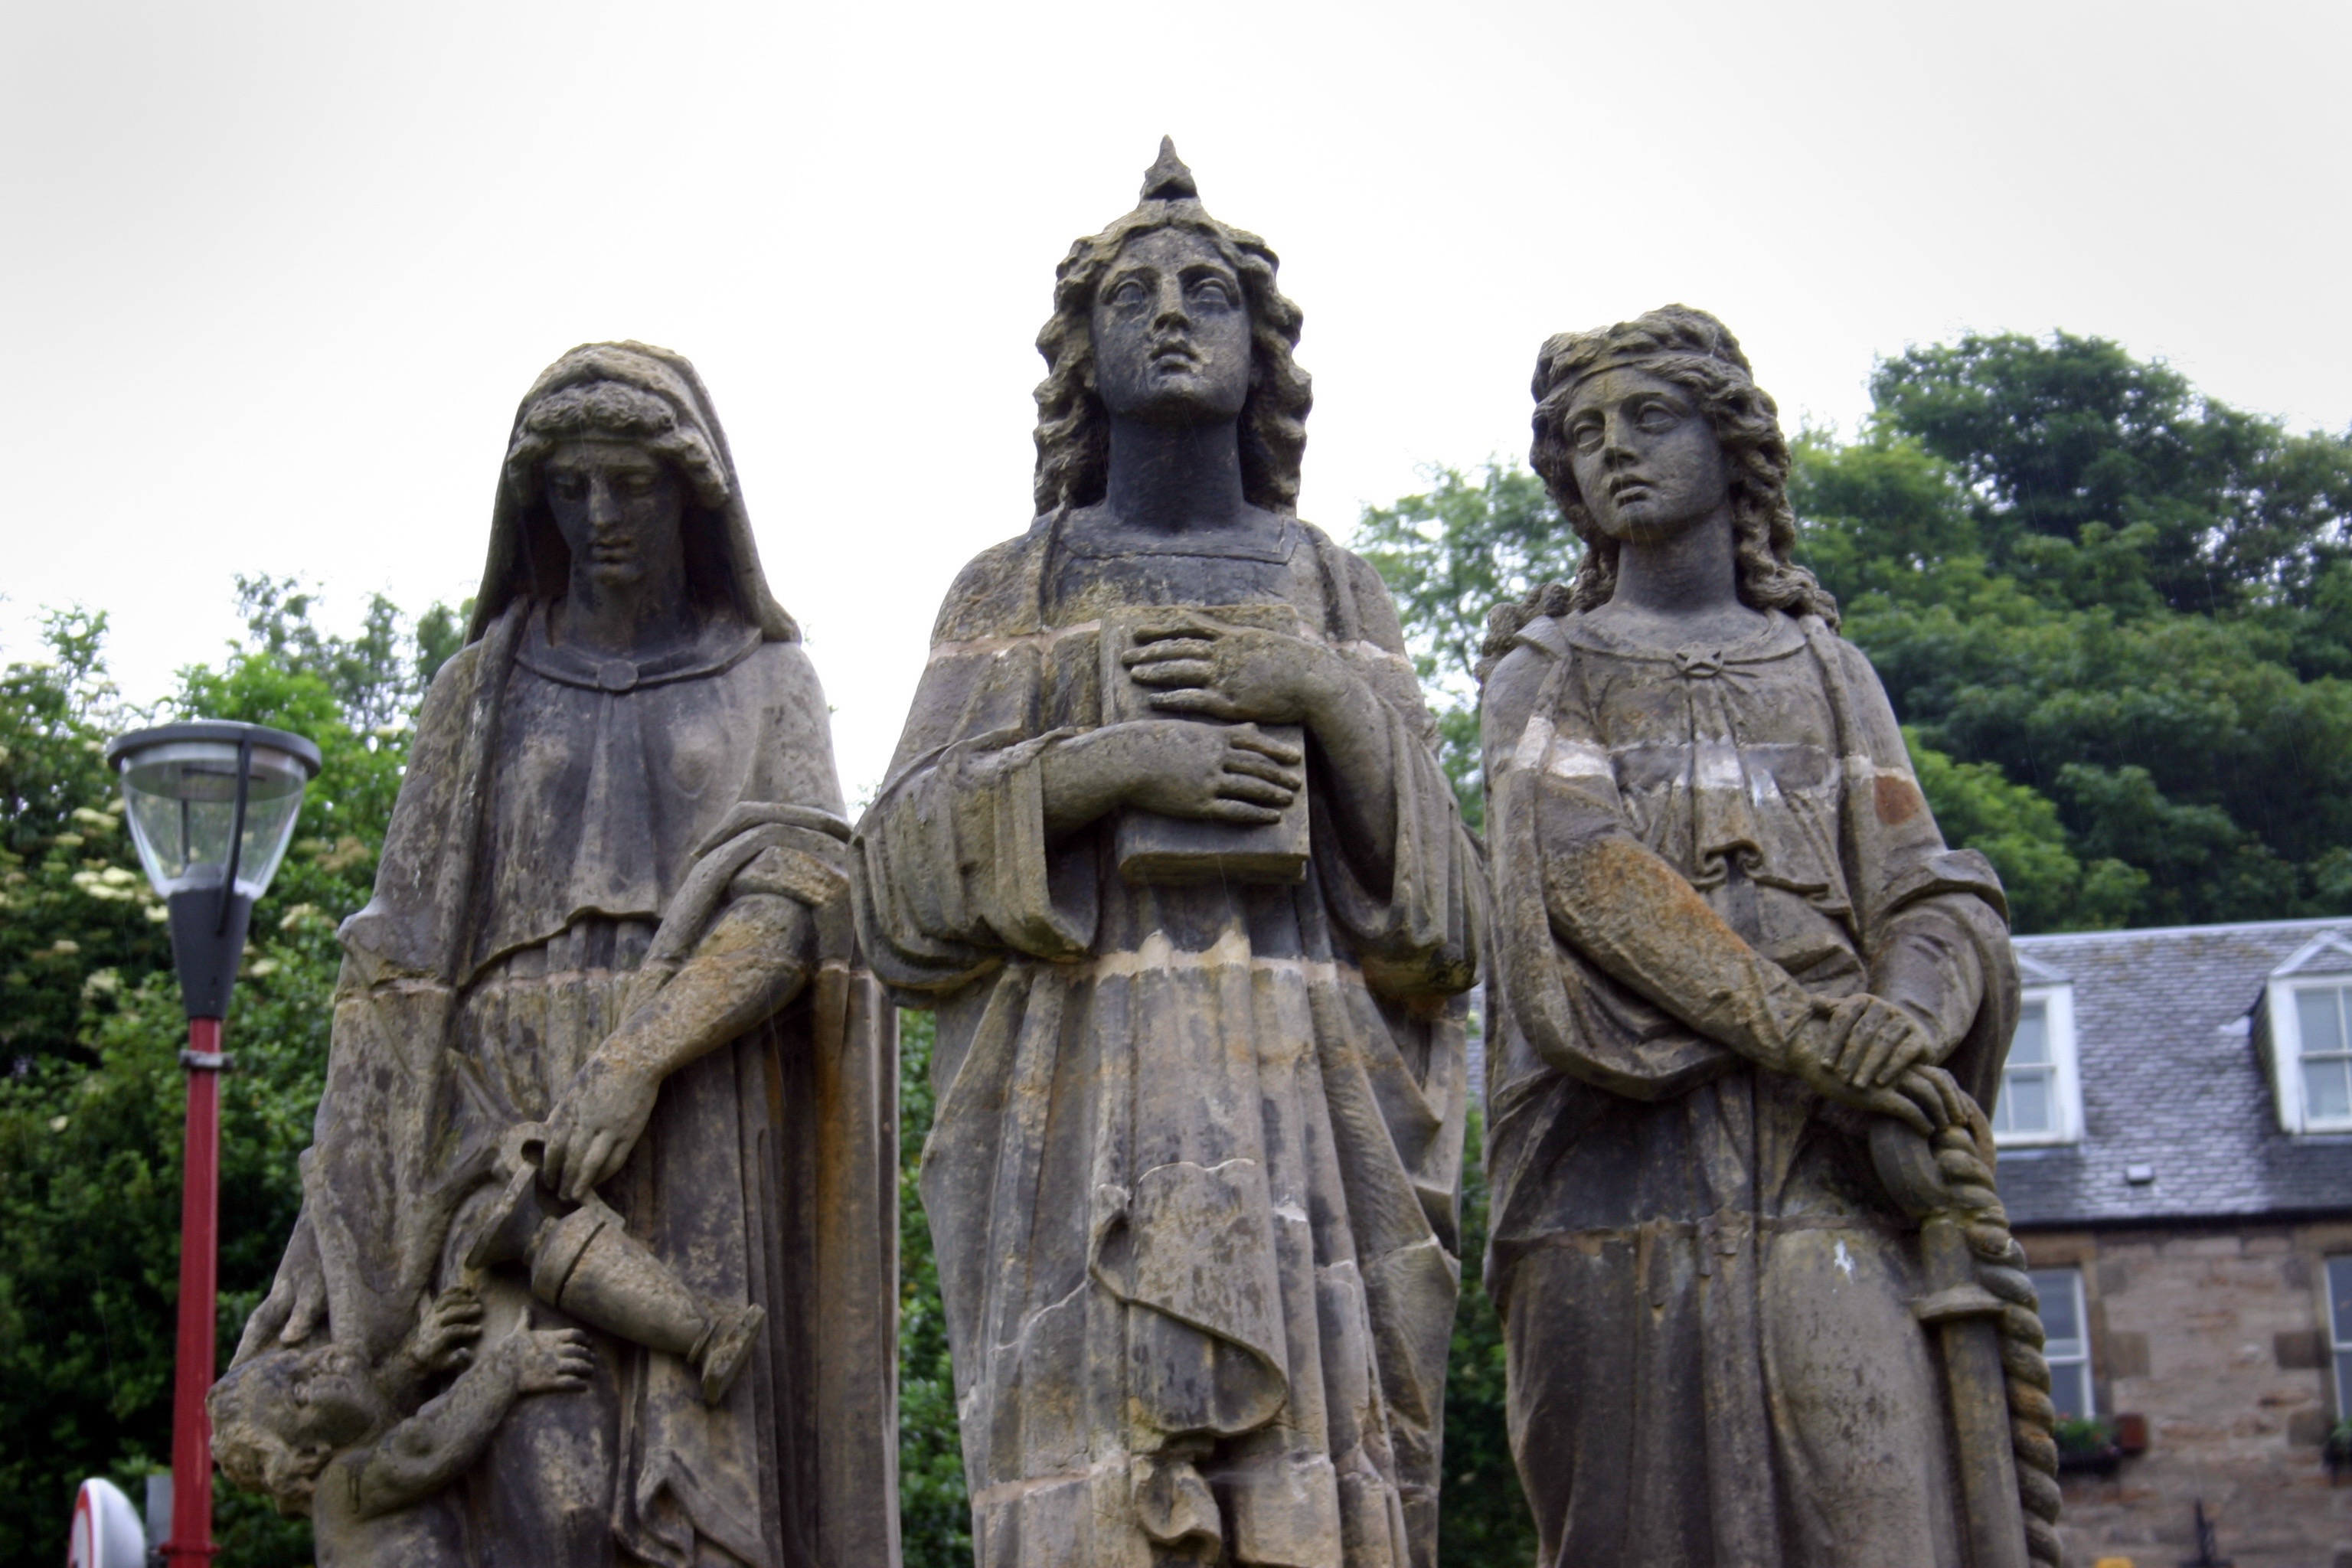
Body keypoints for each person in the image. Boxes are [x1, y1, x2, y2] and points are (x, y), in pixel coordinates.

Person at [855, 142, 1482, 1568]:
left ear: (1264, 351)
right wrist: (1112, 767)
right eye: (1132, 296)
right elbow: (889, 887)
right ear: (1084, 356)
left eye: (1209, 292)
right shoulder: (1013, 586)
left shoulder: (1335, 588)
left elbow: (1451, 920)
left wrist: (1321, 692)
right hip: (1077, 1121)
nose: (1174, 314)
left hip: (1308, 1127)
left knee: (1317, 1499)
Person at [228, 342, 898, 1568]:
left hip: (702, 1089)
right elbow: (394, 965)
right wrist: (335, 1220)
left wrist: (641, 1057)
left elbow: (807, 899)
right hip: (499, 1115)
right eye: (571, 486)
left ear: (693, 493)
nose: (601, 515)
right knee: (534, 1471)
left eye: (632, 483)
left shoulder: (770, 678)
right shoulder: (475, 689)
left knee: (711, 1476)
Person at [1478, 305, 2053, 1567]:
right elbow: (1581, 870)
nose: (1614, 448)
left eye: (1649, 417)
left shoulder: (1827, 669)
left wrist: (1904, 1020)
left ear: (1729, 444)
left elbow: (1924, 884)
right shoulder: (1543, 670)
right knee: (1631, 1529)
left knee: (1879, 1504)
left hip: (1823, 1156)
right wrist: (1800, 1029)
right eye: (1585, 432)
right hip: (1611, 1163)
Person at [211, 1287, 593, 1567]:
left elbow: (372, 1416)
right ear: (310, 1452)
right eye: (300, 1391)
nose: (320, 1363)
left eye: (301, 1361)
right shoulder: (339, 1488)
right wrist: (508, 1367)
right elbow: (423, 1447)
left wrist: (414, 1360)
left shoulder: (352, 1457)